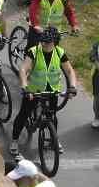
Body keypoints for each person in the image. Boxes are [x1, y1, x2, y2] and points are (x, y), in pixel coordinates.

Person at [10, 27, 77, 159]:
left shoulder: (59, 52)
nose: (44, 44)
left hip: (52, 90)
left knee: (52, 116)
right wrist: (25, 86)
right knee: (23, 114)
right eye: (43, 41)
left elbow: (69, 71)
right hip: (34, 90)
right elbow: (23, 69)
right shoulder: (33, 52)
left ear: (55, 43)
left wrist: (72, 87)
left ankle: (53, 139)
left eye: (48, 42)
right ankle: (14, 140)